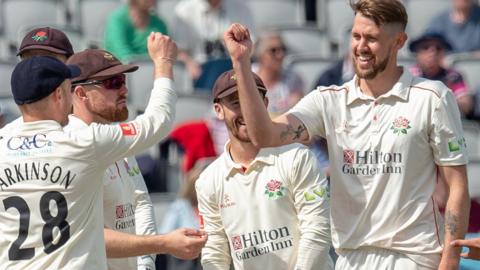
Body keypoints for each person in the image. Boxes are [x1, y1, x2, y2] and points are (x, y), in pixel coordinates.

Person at [224, 0, 470, 269]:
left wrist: (450, 260)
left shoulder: (433, 97)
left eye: (372, 38)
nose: (361, 47)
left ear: (399, 41)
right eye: (356, 36)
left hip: (414, 258)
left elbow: (457, 186)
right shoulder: (329, 100)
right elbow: (265, 136)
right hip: (350, 259)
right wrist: (241, 65)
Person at [0, 33, 206, 269]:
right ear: (60, 94)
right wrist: (163, 63)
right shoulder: (83, 141)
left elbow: (140, 201)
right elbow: (157, 121)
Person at [195, 69, 333, 270]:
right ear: (218, 110)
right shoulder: (208, 180)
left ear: (265, 104)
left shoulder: (297, 157)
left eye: (251, 100)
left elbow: (317, 233)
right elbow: (214, 253)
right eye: (235, 102)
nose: (245, 110)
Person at [65, 48, 180, 270]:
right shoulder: (75, 144)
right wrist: (163, 62)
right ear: (81, 94)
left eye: (123, 80)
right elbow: (87, 235)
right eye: (112, 82)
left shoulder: (112, 135)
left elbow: (140, 201)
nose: (124, 89)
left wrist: (146, 263)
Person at [104, 0, 201, 81]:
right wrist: (157, 60)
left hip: (154, 76)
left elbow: (167, 50)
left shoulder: (159, 23)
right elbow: (125, 56)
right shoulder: (117, 20)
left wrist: (187, 60)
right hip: (124, 78)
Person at [409, 31, 473, 116]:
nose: (432, 53)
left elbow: (466, 106)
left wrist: (443, 102)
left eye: (438, 48)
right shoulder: (407, 75)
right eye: (425, 47)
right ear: (417, 53)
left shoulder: (453, 76)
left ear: (444, 53)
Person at [253, 31, 304, 116]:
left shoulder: (294, 79)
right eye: (273, 50)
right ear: (260, 54)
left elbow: (295, 112)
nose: (280, 55)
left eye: (283, 49)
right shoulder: (248, 76)